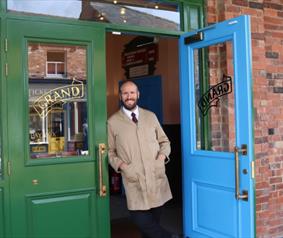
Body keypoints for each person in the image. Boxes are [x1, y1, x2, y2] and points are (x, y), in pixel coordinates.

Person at [108, 80, 180, 238]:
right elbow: (109, 151)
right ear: (120, 96)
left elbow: (165, 141)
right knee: (142, 221)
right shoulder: (113, 122)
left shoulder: (150, 116)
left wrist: (161, 158)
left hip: (156, 177)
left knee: (151, 228)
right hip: (135, 180)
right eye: (125, 93)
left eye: (132, 92)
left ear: (138, 94)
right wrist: (124, 167)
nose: (129, 96)